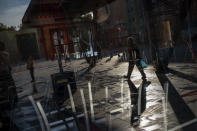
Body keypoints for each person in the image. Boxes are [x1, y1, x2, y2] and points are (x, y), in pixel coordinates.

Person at [0, 41, 18, 130]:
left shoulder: (4, 54)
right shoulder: (5, 54)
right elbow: (8, 65)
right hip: (6, 75)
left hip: (4, 77)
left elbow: (6, 64)